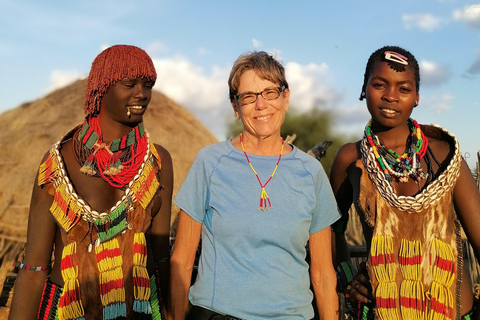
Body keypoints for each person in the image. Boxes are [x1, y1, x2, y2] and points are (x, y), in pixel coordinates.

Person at [168, 51, 340, 320]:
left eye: (270, 92)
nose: (261, 105)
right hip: (217, 314)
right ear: (236, 107)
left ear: (286, 98)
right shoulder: (210, 162)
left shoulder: (311, 172)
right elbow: (182, 259)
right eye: (249, 97)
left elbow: (322, 273)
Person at [9, 45, 173, 320]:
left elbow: (160, 261)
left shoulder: (157, 162)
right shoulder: (59, 163)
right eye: (129, 84)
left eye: (148, 85)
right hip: (67, 311)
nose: (141, 94)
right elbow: (33, 270)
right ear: (101, 89)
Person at [330, 45, 480, 320]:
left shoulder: (444, 155)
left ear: (417, 97)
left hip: (456, 312)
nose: (390, 96)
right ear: (364, 88)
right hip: (383, 310)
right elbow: (331, 229)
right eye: (379, 84)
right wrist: (348, 278)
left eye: (403, 88)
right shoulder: (351, 160)